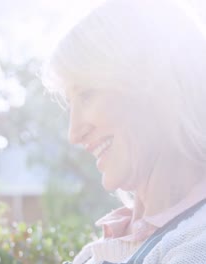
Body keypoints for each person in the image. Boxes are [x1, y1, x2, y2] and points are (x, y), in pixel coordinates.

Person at [42, 0, 206, 263]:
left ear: (155, 88)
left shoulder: (196, 244)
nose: (74, 133)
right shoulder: (97, 253)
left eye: (86, 94)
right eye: (70, 104)